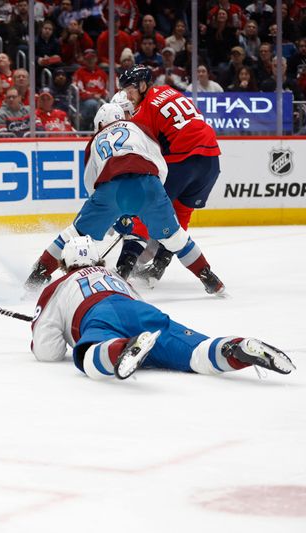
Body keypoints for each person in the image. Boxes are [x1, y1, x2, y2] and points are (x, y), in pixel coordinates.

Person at [25, 103, 223, 296]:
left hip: (110, 191)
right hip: (149, 184)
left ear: (100, 124)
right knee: (176, 238)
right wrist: (151, 197)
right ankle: (210, 278)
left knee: (73, 234)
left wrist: (111, 212)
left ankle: (38, 273)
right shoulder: (140, 128)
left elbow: (91, 183)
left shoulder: (95, 140)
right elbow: (159, 164)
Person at [31, 236, 294, 380]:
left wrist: (61, 332)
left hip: (98, 317)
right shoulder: (115, 276)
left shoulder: (58, 287)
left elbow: (48, 352)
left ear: (65, 264)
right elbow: (135, 303)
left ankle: (120, 348)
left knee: (89, 356)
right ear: (98, 259)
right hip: (140, 310)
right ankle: (236, 347)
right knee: (195, 354)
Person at [117, 65, 223, 288]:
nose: (127, 95)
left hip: (183, 159)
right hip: (211, 160)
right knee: (181, 213)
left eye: (130, 90)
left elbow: (147, 155)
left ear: (143, 86)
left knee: (147, 211)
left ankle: (123, 269)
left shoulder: (144, 112)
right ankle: (159, 267)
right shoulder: (169, 90)